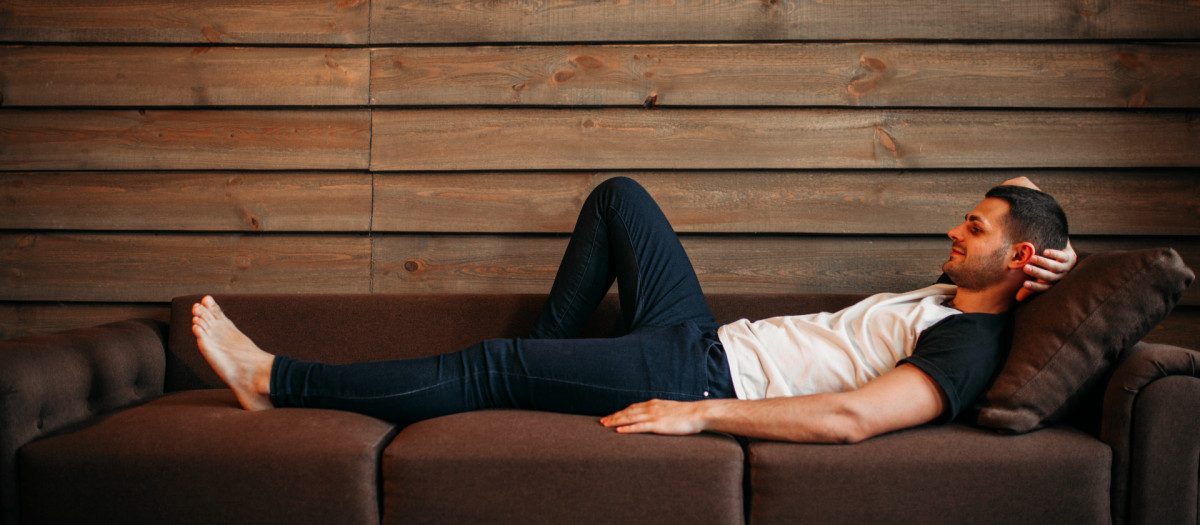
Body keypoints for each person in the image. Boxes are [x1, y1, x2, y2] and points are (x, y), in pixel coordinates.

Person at [192, 176, 1074, 443]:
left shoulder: (966, 342)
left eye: (976, 227)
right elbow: (1025, 193)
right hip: (697, 333)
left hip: (698, 372)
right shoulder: (954, 290)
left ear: (1016, 255)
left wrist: (702, 414)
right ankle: (541, 370)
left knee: (489, 363)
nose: (956, 230)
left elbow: (851, 417)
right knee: (620, 198)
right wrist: (1052, 257)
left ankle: (274, 378)